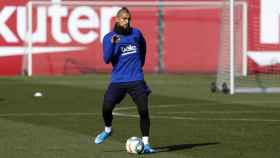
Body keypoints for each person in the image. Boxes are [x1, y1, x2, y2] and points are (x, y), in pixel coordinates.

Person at [94, 7, 156, 153]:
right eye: (124, 19)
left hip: (136, 79)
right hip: (118, 80)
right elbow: (106, 59)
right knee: (106, 108)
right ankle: (108, 130)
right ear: (117, 19)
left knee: (143, 110)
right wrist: (113, 43)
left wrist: (141, 62)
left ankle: (146, 144)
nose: (127, 22)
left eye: (128, 19)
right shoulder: (109, 37)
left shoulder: (136, 33)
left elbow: (143, 46)